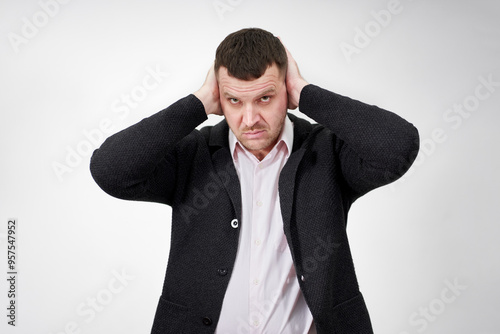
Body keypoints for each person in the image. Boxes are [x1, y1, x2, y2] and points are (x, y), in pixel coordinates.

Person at [90, 28, 419, 334]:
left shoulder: (326, 152)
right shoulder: (194, 155)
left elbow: (398, 147)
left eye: (265, 98)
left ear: (285, 92)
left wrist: (306, 93)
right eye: (234, 100)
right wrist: (198, 103)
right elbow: (111, 170)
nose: (250, 120)